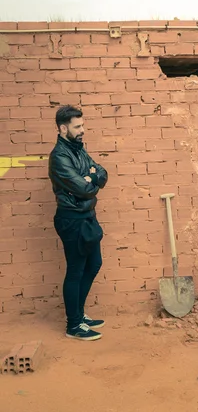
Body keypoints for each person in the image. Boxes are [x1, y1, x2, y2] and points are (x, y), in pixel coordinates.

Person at [49, 105, 108, 341]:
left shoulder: (79, 149)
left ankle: (79, 314)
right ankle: (73, 325)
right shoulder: (60, 156)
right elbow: (84, 189)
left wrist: (91, 175)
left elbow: (102, 174)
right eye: (77, 126)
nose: (83, 130)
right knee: (75, 270)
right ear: (63, 128)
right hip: (72, 220)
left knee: (94, 264)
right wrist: (90, 179)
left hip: (87, 217)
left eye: (82, 125)